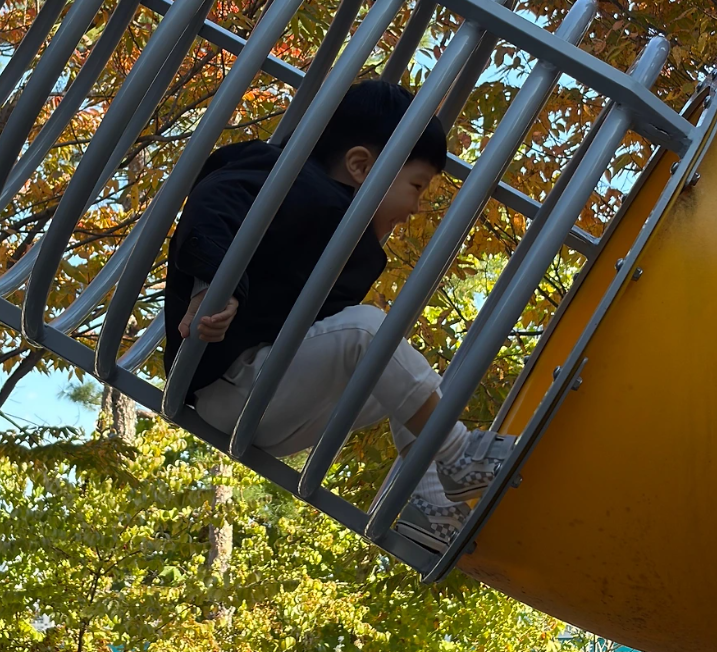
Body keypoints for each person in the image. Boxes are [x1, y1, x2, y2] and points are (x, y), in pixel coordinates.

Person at [164, 80, 515, 553]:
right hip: (227, 385)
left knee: (408, 374)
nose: (415, 208)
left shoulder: (345, 243)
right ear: (361, 166)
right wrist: (212, 287)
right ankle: (455, 453)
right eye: (417, 186)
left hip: (271, 397)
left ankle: (432, 505)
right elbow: (214, 204)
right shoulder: (286, 179)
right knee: (370, 332)